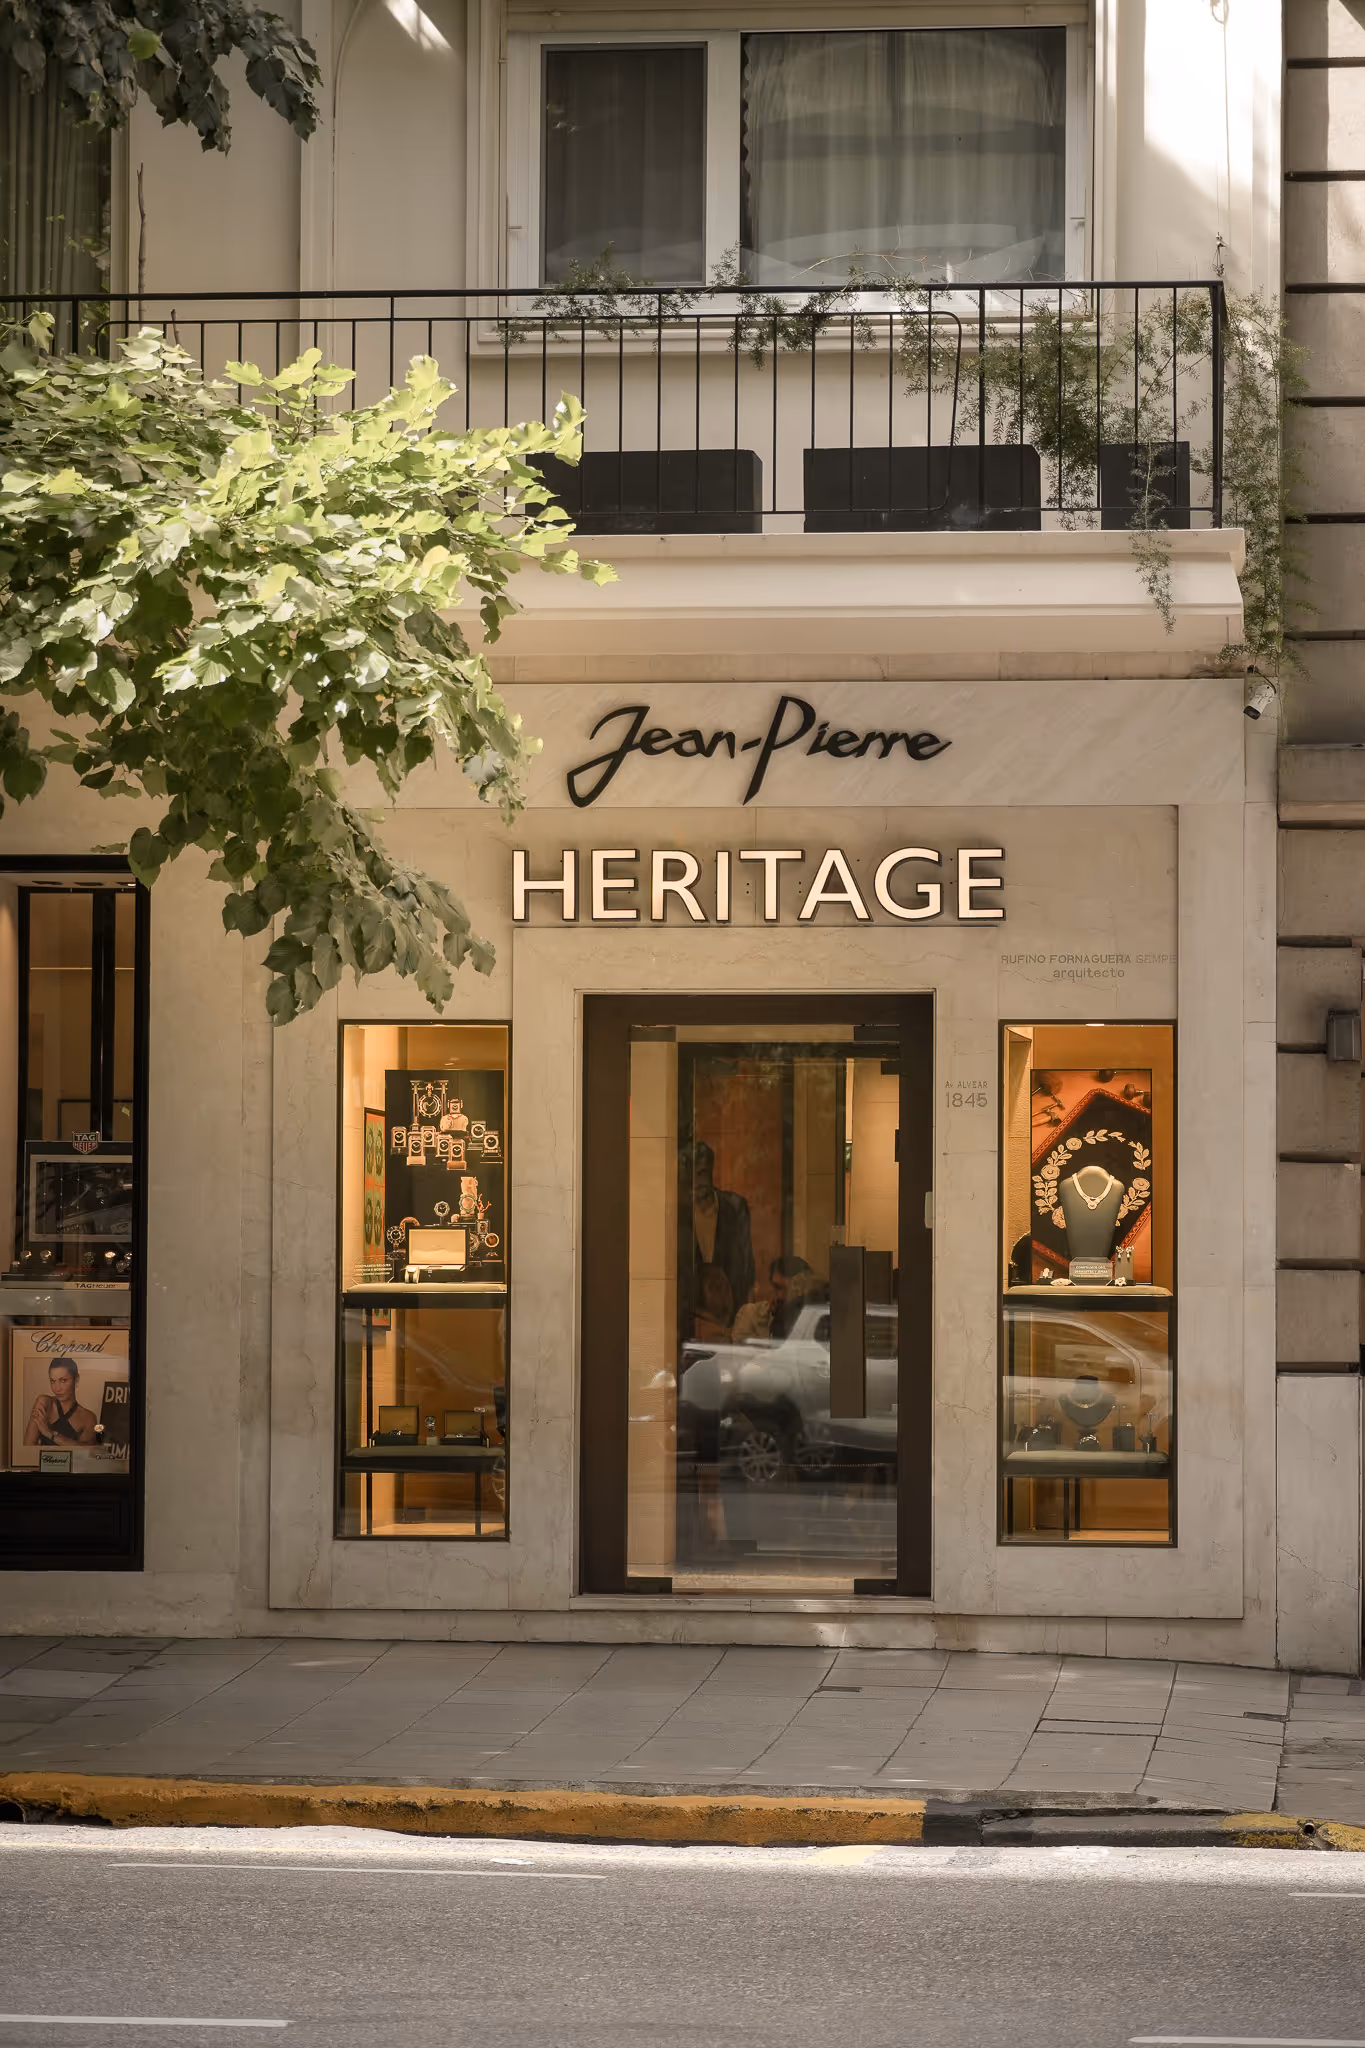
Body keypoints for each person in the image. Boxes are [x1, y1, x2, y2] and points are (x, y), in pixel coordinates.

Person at [24, 1358, 98, 1448]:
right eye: (52, 1381)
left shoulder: (88, 1418)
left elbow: (87, 1454)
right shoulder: (44, 1403)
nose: (57, 1388)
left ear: (76, 1379)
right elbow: (28, 1448)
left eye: (63, 1380)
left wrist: (50, 1434)